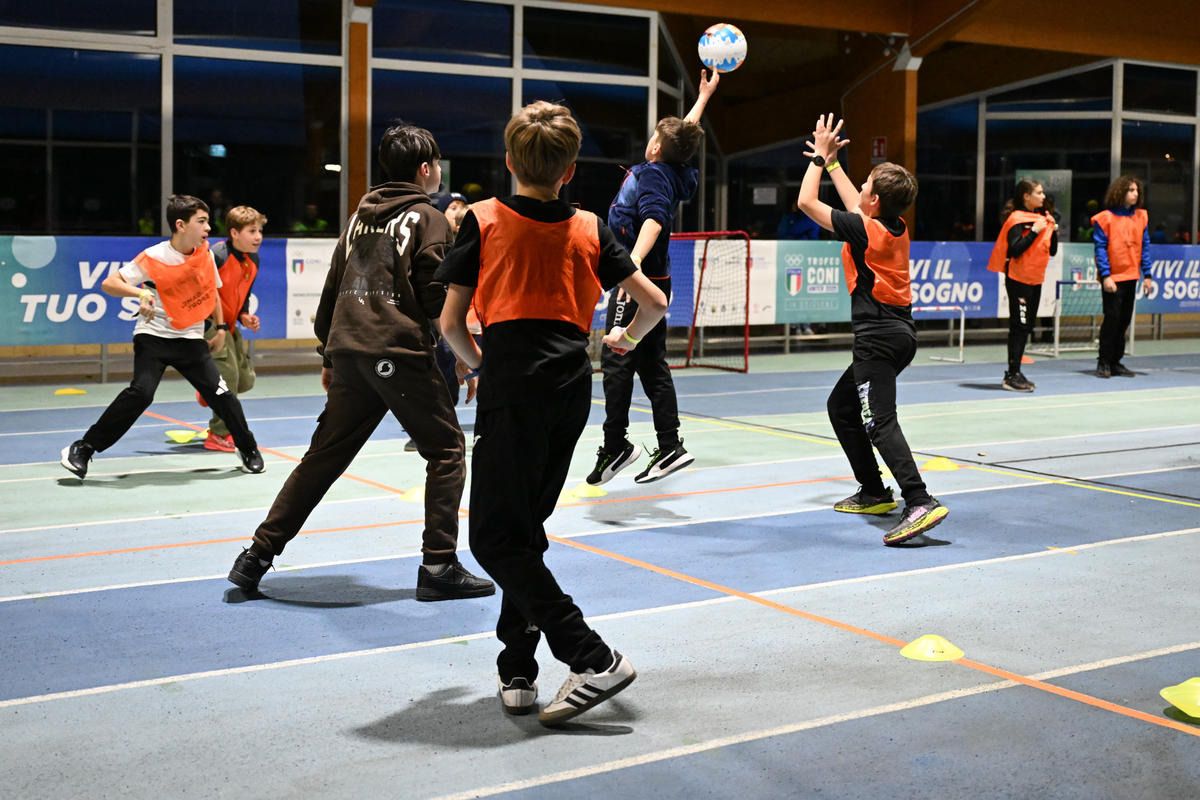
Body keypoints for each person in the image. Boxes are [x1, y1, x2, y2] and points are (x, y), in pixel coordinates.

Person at [437, 101, 667, 725]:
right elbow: (653, 303)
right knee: (525, 529)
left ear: (509, 163)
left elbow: (451, 324)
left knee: (492, 537)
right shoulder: (590, 226)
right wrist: (623, 340)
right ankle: (518, 665)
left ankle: (592, 656)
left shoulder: (482, 219)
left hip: (512, 387)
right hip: (569, 389)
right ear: (569, 171)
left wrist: (480, 366)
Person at [227, 123, 493, 602]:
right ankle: (438, 565)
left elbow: (333, 289)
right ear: (427, 169)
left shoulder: (357, 219)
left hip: (351, 352)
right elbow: (435, 297)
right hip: (397, 352)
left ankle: (255, 557)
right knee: (447, 451)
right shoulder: (428, 218)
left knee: (323, 458)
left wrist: (329, 355)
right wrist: (463, 356)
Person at [797, 113, 948, 546]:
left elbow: (807, 203)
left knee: (879, 422)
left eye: (866, 185)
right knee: (841, 407)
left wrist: (819, 159)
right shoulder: (891, 226)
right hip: (898, 335)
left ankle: (919, 500)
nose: (860, 188)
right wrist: (834, 165)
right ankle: (874, 491)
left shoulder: (868, 229)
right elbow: (856, 205)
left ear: (875, 200)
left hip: (878, 339)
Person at [60, 195, 264, 479]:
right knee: (141, 394)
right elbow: (110, 283)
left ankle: (248, 449)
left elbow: (213, 293)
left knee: (222, 394)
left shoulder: (205, 254)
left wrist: (219, 328)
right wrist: (140, 292)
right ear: (181, 225)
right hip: (154, 336)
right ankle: (84, 448)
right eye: (202, 221)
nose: (208, 228)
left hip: (191, 339)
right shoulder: (154, 256)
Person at [588, 69, 719, 487]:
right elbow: (685, 137)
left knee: (616, 358)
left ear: (656, 147)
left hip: (640, 280)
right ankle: (669, 445)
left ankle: (616, 445)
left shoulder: (653, 175)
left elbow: (654, 219)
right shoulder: (679, 169)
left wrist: (633, 265)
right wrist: (703, 97)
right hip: (657, 279)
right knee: (649, 363)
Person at [199, 206, 267, 451]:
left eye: (260, 231)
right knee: (228, 379)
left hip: (229, 326)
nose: (258, 237)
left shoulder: (253, 259)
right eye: (252, 231)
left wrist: (244, 315)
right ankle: (218, 434)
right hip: (209, 324)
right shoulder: (217, 256)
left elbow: (243, 295)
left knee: (245, 381)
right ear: (234, 233)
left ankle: (207, 387)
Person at [987, 178, 1058, 393]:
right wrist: (1035, 231)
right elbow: (1015, 250)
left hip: (1036, 279)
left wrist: (1052, 230)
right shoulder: (1016, 219)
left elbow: (1053, 251)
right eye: (1039, 192)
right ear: (1026, 196)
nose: (1043, 196)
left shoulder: (1042, 218)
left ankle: (1016, 371)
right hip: (1019, 280)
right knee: (1019, 326)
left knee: (1026, 326)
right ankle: (1011, 374)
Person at [1091, 175, 1153, 378]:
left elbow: (1145, 247)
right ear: (1120, 192)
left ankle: (1116, 361)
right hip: (1113, 278)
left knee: (1124, 320)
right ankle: (1103, 361)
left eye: (1137, 190)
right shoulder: (1105, 218)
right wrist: (1106, 275)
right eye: (1131, 190)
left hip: (1131, 276)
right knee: (1112, 319)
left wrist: (1147, 275)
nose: (1135, 194)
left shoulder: (1141, 217)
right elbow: (1100, 249)